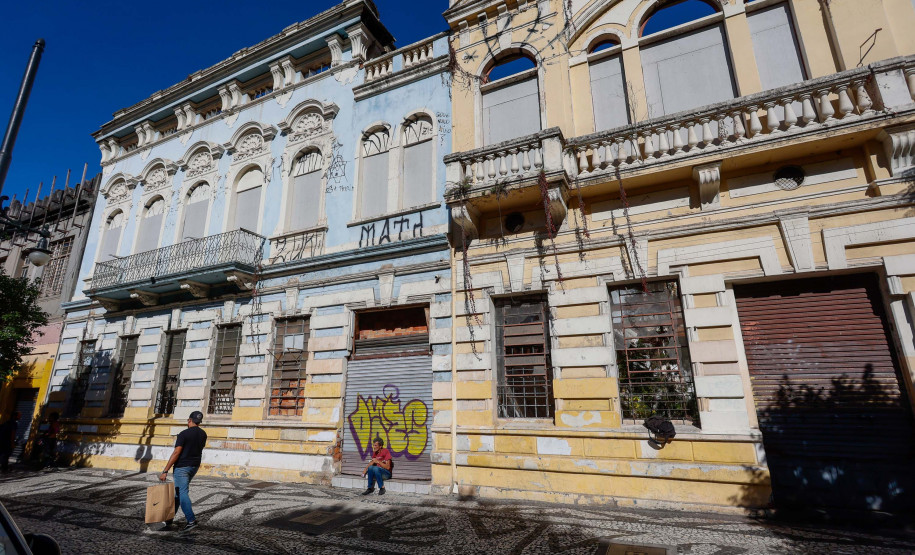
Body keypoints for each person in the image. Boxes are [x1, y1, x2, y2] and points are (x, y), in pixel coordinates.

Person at [159, 411, 207, 532]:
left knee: (182, 493)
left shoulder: (183, 434)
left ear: (189, 420)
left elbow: (177, 452)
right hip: (194, 467)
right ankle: (169, 519)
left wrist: (165, 470)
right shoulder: (203, 434)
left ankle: (191, 520)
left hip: (182, 467)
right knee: (178, 492)